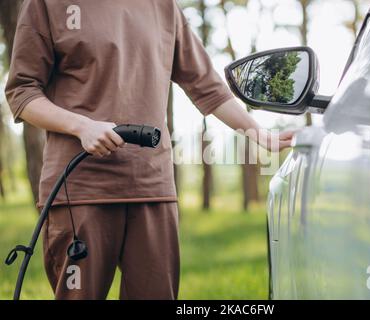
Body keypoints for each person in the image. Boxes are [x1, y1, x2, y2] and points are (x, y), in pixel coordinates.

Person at [5, 0, 293, 300]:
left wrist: (261, 135)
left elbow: (207, 86)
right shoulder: (46, 4)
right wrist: (82, 126)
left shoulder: (163, 6)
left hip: (152, 186)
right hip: (79, 188)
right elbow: (21, 92)